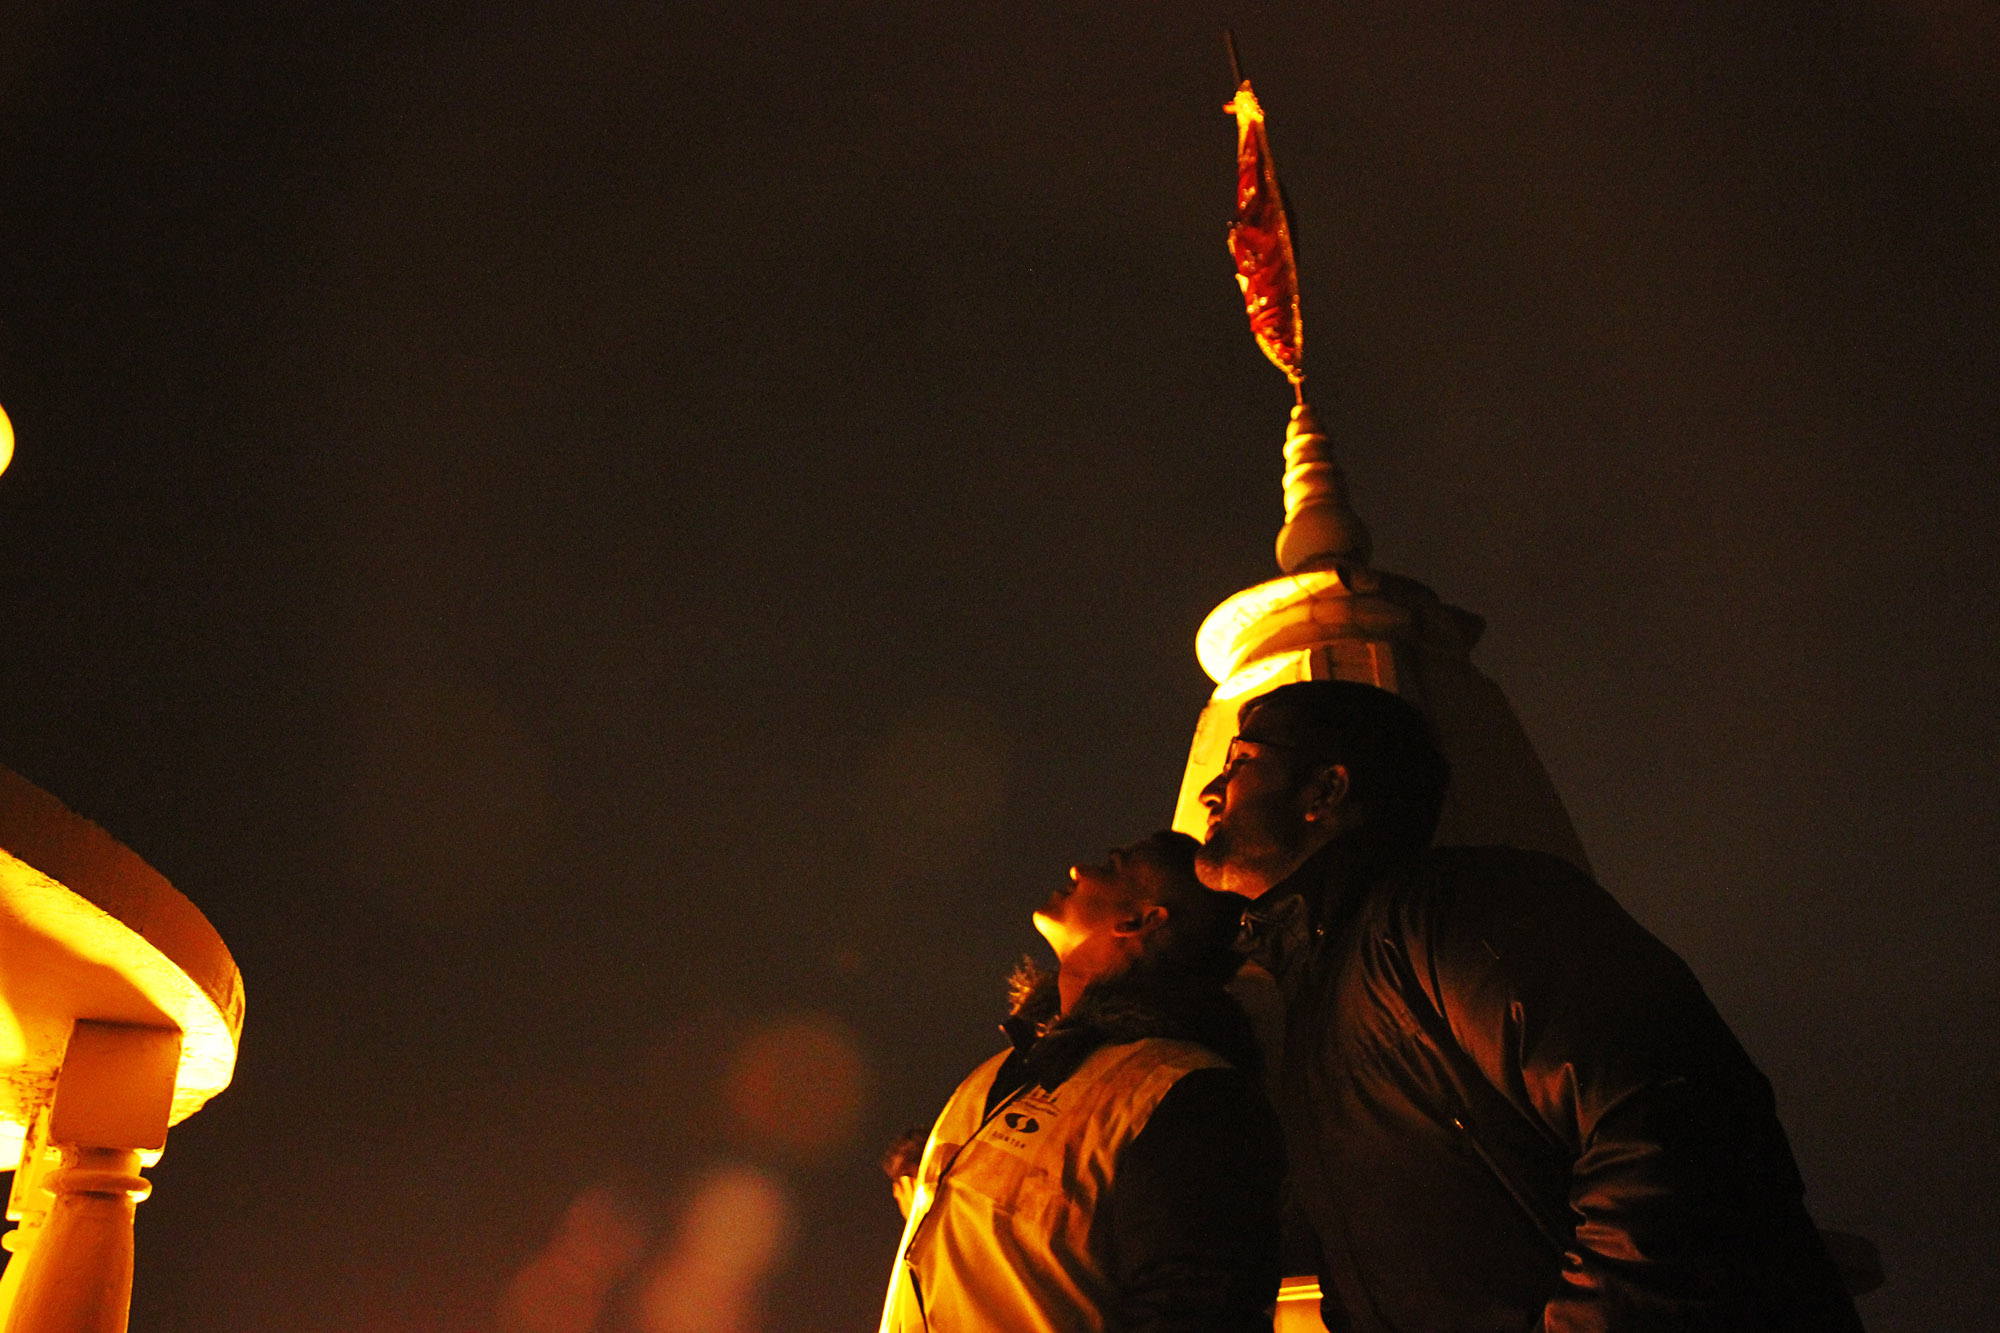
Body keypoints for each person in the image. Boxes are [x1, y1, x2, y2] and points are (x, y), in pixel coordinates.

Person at [1194, 680, 1863, 1333]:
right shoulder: (1313, 1003)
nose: (1210, 789)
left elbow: (1673, 1127)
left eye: (1242, 762)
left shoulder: (1456, 910)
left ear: (1326, 791)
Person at [880, 830, 1283, 1333]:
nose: (1078, 870)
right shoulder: (1008, 1070)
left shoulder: (1191, 1099)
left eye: (1112, 867)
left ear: (1138, 920)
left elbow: (1194, 1310)